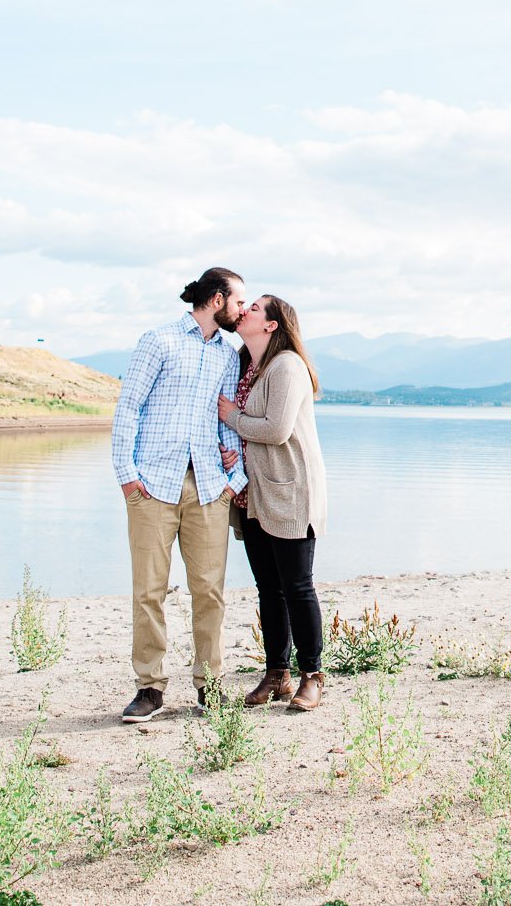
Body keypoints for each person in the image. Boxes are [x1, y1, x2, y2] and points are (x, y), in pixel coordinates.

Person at [112, 267, 252, 723]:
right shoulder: (159, 340)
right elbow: (128, 406)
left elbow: (226, 418)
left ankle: (208, 688)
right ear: (216, 300)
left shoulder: (229, 355)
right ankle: (149, 689)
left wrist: (235, 478)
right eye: (237, 302)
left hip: (210, 489)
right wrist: (127, 475)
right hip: (153, 486)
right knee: (148, 591)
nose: (241, 310)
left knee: (209, 592)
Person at [219, 294, 329, 712]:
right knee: (269, 588)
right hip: (255, 494)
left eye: (254, 307)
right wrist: (234, 450)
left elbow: (277, 429)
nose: (243, 310)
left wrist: (231, 417)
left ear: (271, 324)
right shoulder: (250, 365)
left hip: (290, 491)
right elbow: (252, 433)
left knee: (297, 587)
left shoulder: (287, 366)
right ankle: (277, 673)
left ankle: (312, 675)